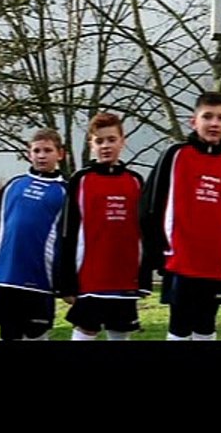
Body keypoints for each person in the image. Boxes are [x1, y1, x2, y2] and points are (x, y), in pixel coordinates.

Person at [140, 92, 221, 341]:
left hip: (216, 265)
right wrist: (158, 252)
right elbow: (149, 206)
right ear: (193, 121)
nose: (214, 123)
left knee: (206, 326)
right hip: (181, 262)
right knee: (180, 326)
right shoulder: (175, 155)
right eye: (207, 116)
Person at [56, 112, 151, 341]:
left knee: (120, 331)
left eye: (111, 139)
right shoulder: (81, 180)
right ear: (91, 145)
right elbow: (67, 231)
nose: (106, 146)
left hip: (126, 278)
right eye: (99, 141)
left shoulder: (136, 181)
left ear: (122, 141)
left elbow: (145, 233)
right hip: (89, 277)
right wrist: (66, 283)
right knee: (86, 330)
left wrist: (144, 277)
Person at [0, 128, 68, 341]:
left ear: (60, 154)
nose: (42, 155)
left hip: (41, 278)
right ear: (29, 154)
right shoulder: (13, 185)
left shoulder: (65, 191)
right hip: (7, 276)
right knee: (8, 334)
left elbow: (68, 240)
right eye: (37, 150)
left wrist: (65, 283)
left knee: (36, 334)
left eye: (48, 150)